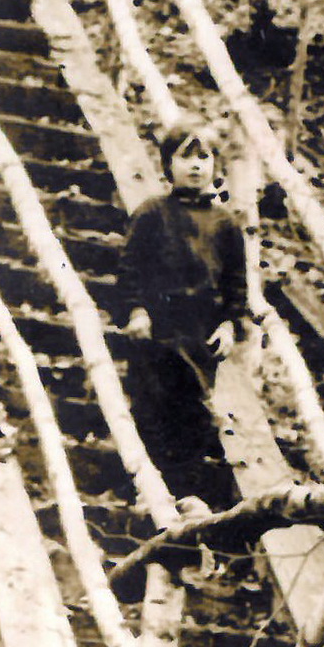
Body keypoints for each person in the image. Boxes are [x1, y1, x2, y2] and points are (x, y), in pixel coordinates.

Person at [114, 122, 247, 516]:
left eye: (203, 158)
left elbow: (236, 282)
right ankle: (145, 492)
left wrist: (229, 324)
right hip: (157, 335)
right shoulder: (152, 214)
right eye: (186, 157)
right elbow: (129, 268)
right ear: (168, 165)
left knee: (192, 414)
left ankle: (185, 499)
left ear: (215, 166)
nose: (195, 167)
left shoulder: (226, 225)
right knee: (152, 408)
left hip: (200, 337)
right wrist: (136, 311)